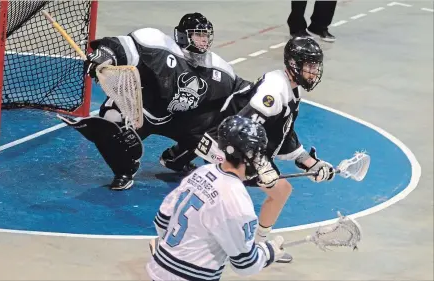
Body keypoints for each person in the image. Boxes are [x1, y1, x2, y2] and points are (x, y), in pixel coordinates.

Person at [165, 37, 336, 259]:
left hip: (238, 145)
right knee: (270, 191)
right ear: (294, 64)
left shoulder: (291, 88)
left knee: (270, 191)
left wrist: (308, 161)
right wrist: (262, 166)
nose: (314, 71)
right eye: (310, 65)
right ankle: (254, 246)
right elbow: (243, 131)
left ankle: (249, 243)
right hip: (224, 144)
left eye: (316, 66)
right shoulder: (274, 91)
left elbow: (280, 133)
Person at [59, 12, 253, 190]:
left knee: (220, 122)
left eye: (205, 35)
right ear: (184, 36)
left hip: (179, 119)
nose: (203, 40)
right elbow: (119, 45)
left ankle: (176, 159)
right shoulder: (158, 47)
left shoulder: (217, 68)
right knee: (111, 118)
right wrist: (102, 57)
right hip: (141, 112)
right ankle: (123, 170)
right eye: (198, 35)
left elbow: (242, 92)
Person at [146, 115, 288, 281]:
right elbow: (245, 265)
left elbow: (162, 221)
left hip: (158, 269)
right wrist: (269, 252)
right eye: (257, 152)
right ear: (248, 154)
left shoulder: (201, 173)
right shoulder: (237, 200)